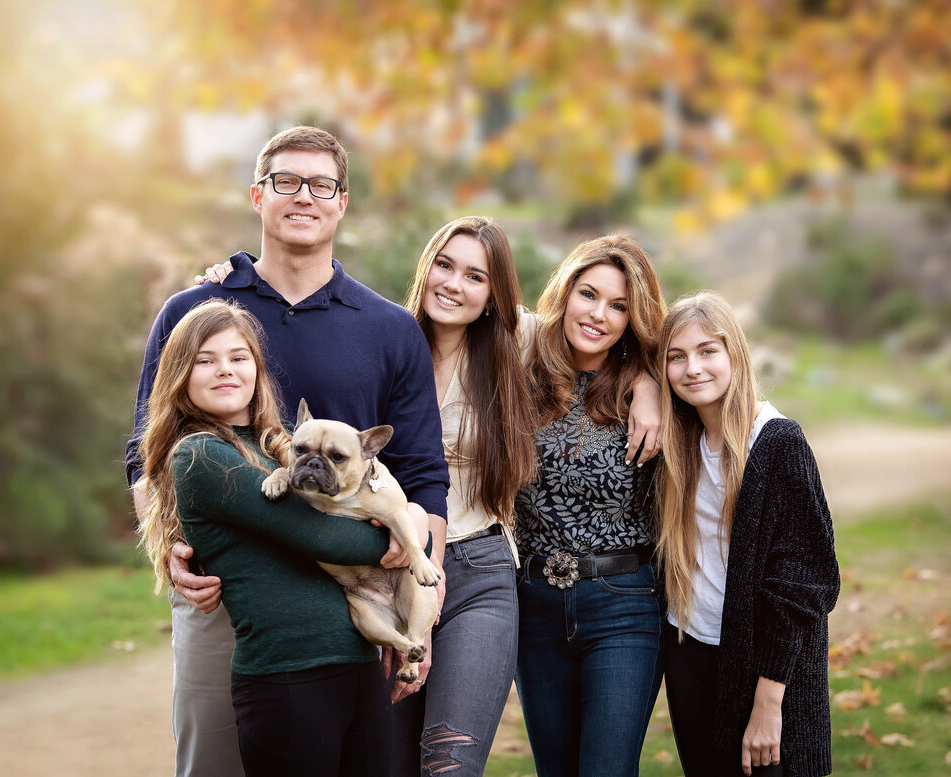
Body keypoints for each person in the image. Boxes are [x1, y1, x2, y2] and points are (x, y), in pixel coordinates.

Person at [198, 218, 664, 776]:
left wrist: (649, 383)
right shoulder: (378, 335)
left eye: (476, 276)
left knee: (451, 763)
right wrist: (232, 278)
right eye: (444, 265)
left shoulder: (516, 343)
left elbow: (606, 334)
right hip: (381, 563)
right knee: (385, 760)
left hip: (480, 569)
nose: (454, 284)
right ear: (425, 268)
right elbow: (285, 402)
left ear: (495, 294)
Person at [124, 126, 449, 777]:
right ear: (257, 195)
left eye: (321, 184)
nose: (303, 195)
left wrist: (421, 612)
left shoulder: (390, 328)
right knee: (214, 760)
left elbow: (422, 474)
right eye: (285, 181)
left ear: (342, 202)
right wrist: (173, 550)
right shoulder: (195, 310)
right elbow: (145, 452)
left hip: (351, 605)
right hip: (229, 590)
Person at [139, 299, 426, 776]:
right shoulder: (201, 454)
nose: (224, 370)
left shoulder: (284, 440)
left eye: (238, 357)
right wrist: (405, 537)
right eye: (204, 361)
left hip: (354, 658)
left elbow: (367, 490)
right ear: (179, 375)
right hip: (287, 675)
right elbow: (328, 539)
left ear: (257, 368)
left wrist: (408, 517)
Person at [655, 291, 840, 777]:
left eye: (707, 351)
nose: (692, 368)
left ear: (735, 354)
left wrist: (768, 702)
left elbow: (805, 583)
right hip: (690, 649)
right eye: (676, 357)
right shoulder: (680, 444)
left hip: (764, 670)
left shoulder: (777, 442)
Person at [513, 234, 667, 777]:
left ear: (633, 318)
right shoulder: (519, 369)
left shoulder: (648, 389)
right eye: (588, 294)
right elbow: (455, 305)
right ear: (564, 293)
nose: (599, 314)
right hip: (532, 605)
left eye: (619, 305)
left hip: (622, 603)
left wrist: (648, 383)